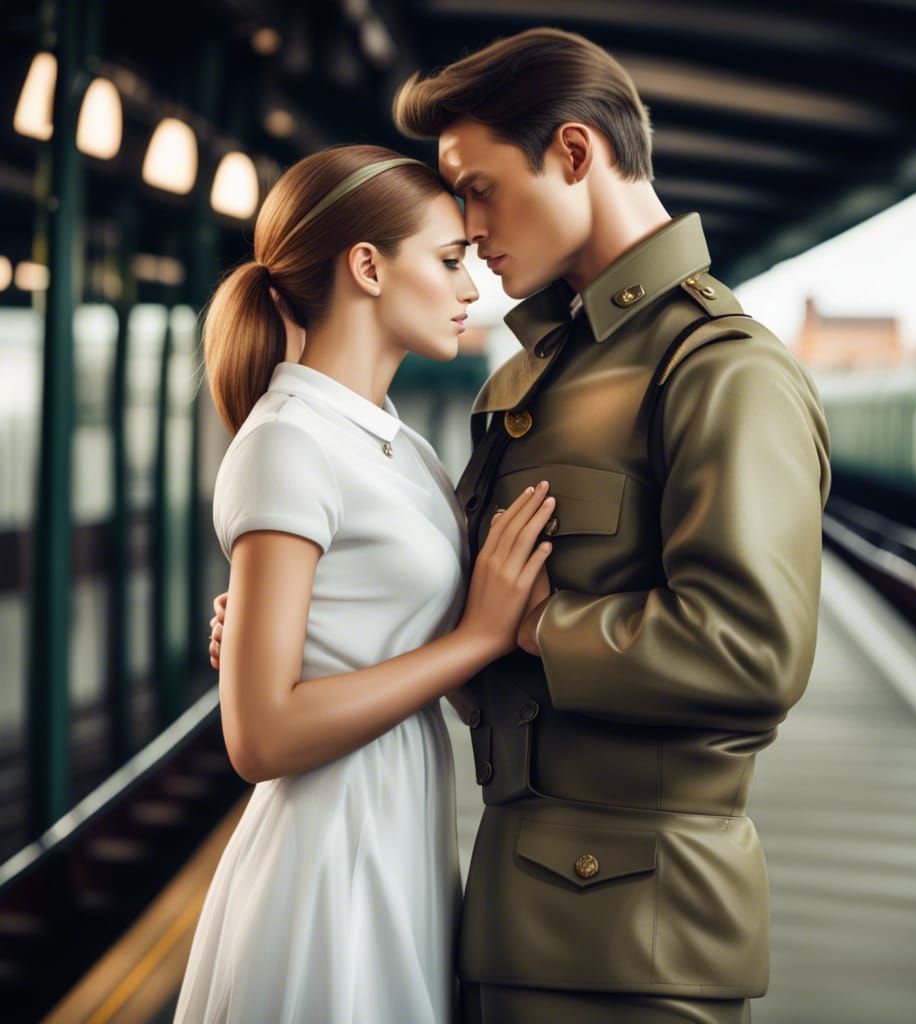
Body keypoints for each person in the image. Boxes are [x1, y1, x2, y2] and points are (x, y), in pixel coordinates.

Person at [210, 27, 832, 1024]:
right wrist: (320, 631)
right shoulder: (530, 378)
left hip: (639, 936)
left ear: (575, 153)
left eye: (479, 188)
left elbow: (751, 651)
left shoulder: (721, 369)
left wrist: (532, 627)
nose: (468, 222)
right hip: (495, 907)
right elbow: (467, 647)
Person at [174, 143, 558, 1024]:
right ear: (367, 267)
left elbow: (394, 647)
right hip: (328, 856)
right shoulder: (288, 441)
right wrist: (477, 637)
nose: (472, 288)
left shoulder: (397, 445)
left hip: (399, 831)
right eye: (450, 260)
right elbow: (259, 737)